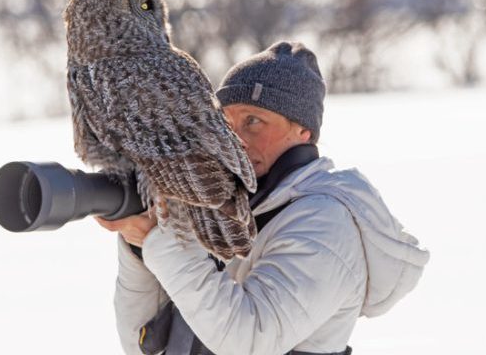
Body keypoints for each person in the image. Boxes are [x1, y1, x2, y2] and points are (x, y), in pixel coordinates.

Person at [96, 41, 429, 355]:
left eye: (253, 121)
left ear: (304, 132)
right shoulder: (221, 211)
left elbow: (249, 339)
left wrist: (162, 244)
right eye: (225, 123)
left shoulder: (326, 223)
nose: (235, 138)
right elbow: (146, 342)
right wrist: (141, 248)